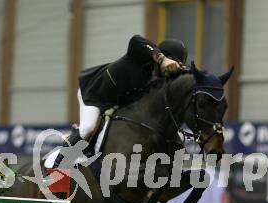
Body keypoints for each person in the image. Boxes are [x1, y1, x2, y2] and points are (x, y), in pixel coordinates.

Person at [53, 35, 188, 167]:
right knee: (88, 127)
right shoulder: (139, 56)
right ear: (164, 55)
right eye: (173, 61)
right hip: (94, 93)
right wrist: (162, 59)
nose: (173, 67)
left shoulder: (161, 80)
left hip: (115, 103)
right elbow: (136, 40)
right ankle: (55, 168)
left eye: (177, 64)